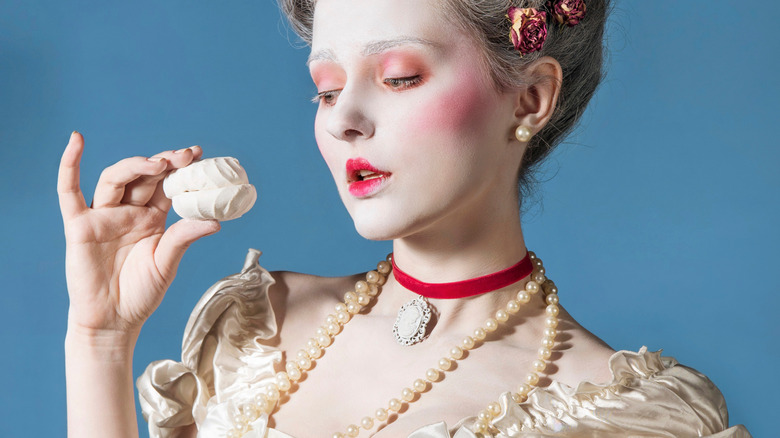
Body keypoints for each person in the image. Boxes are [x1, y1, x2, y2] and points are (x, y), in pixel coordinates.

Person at [58, 0, 751, 437]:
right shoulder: (259, 327)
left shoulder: (616, 415)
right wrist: (100, 339)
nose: (346, 121)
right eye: (325, 91)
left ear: (530, 99)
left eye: (399, 78)